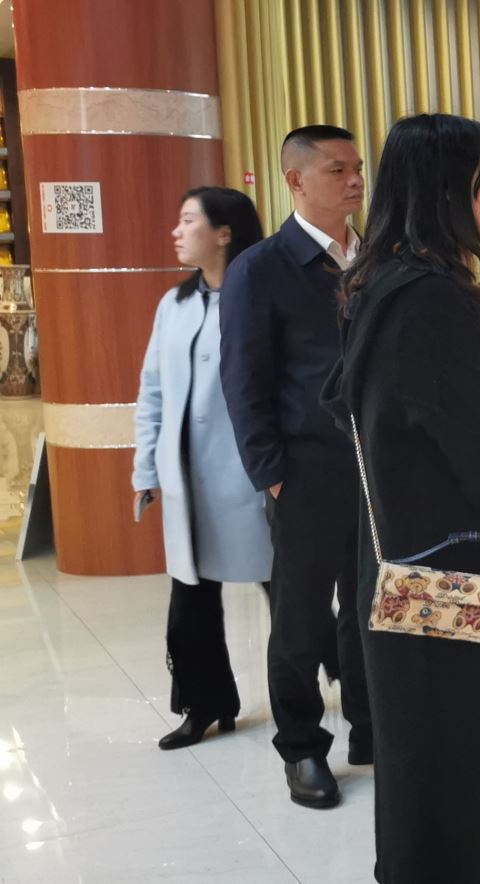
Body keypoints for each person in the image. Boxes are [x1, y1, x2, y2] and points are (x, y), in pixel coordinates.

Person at [317, 112, 480, 884]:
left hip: (423, 568)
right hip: (450, 581)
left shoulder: (389, 286)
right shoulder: (428, 300)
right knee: (460, 766)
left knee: (444, 761)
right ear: (447, 188)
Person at [220, 124, 372, 809]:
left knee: (372, 608)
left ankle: (372, 728)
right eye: (338, 169)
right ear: (295, 179)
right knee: (301, 618)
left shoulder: (375, 257)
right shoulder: (263, 268)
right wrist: (272, 473)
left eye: (357, 167)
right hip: (305, 470)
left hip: (379, 467)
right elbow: (243, 381)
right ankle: (303, 747)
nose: (355, 180)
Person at [134, 186, 270, 751]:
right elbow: (153, 391)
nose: (176, 230)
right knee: (190, 600)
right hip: (188, 481)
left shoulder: (262, 298)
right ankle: (206, 703)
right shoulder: (175, 304)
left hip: (256, 477)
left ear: (224, 233)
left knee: (292, 596)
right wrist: (147, 469)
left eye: (188, 220)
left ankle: (347, 690)